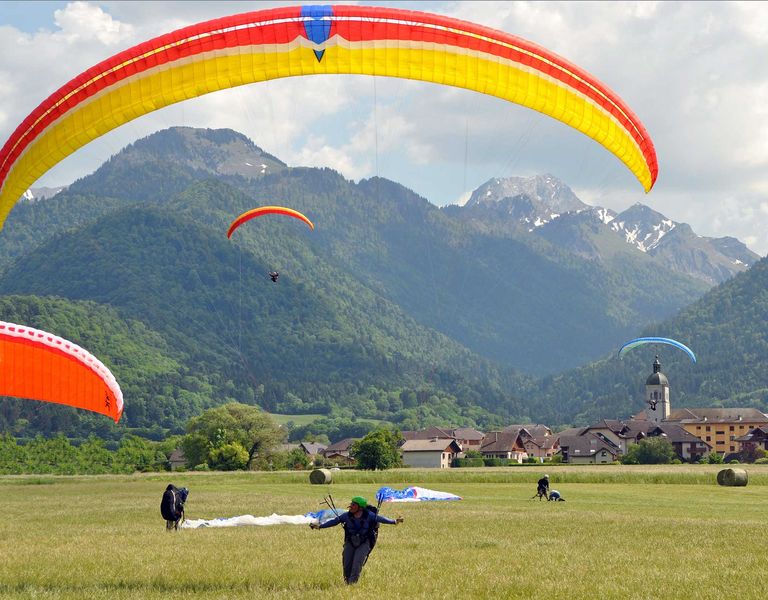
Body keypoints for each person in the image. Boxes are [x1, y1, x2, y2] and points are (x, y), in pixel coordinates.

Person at [310, 496, 403, 584]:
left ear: (360, 508)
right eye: (351, 503)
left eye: (354, 504)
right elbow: (334, 521)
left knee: (357, 563)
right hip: (350, 541)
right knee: (346, 564)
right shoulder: (346, 516)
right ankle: (347, 582)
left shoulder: (369, 515)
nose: (351, 506)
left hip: (364, 542)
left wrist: (394, 521)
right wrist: (320, 526)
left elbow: (381, 519)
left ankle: (352, 584)